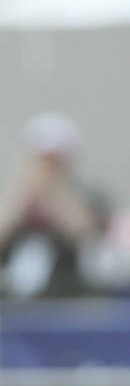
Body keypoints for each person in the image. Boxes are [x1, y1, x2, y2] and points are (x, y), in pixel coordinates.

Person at [0, 112, 110, 298]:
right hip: (12, 305)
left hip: (66, 301)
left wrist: (53, 194)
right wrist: (20, 200)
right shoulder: (16, 199)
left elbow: (86, 237)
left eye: (54, 160)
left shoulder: (89, 198)